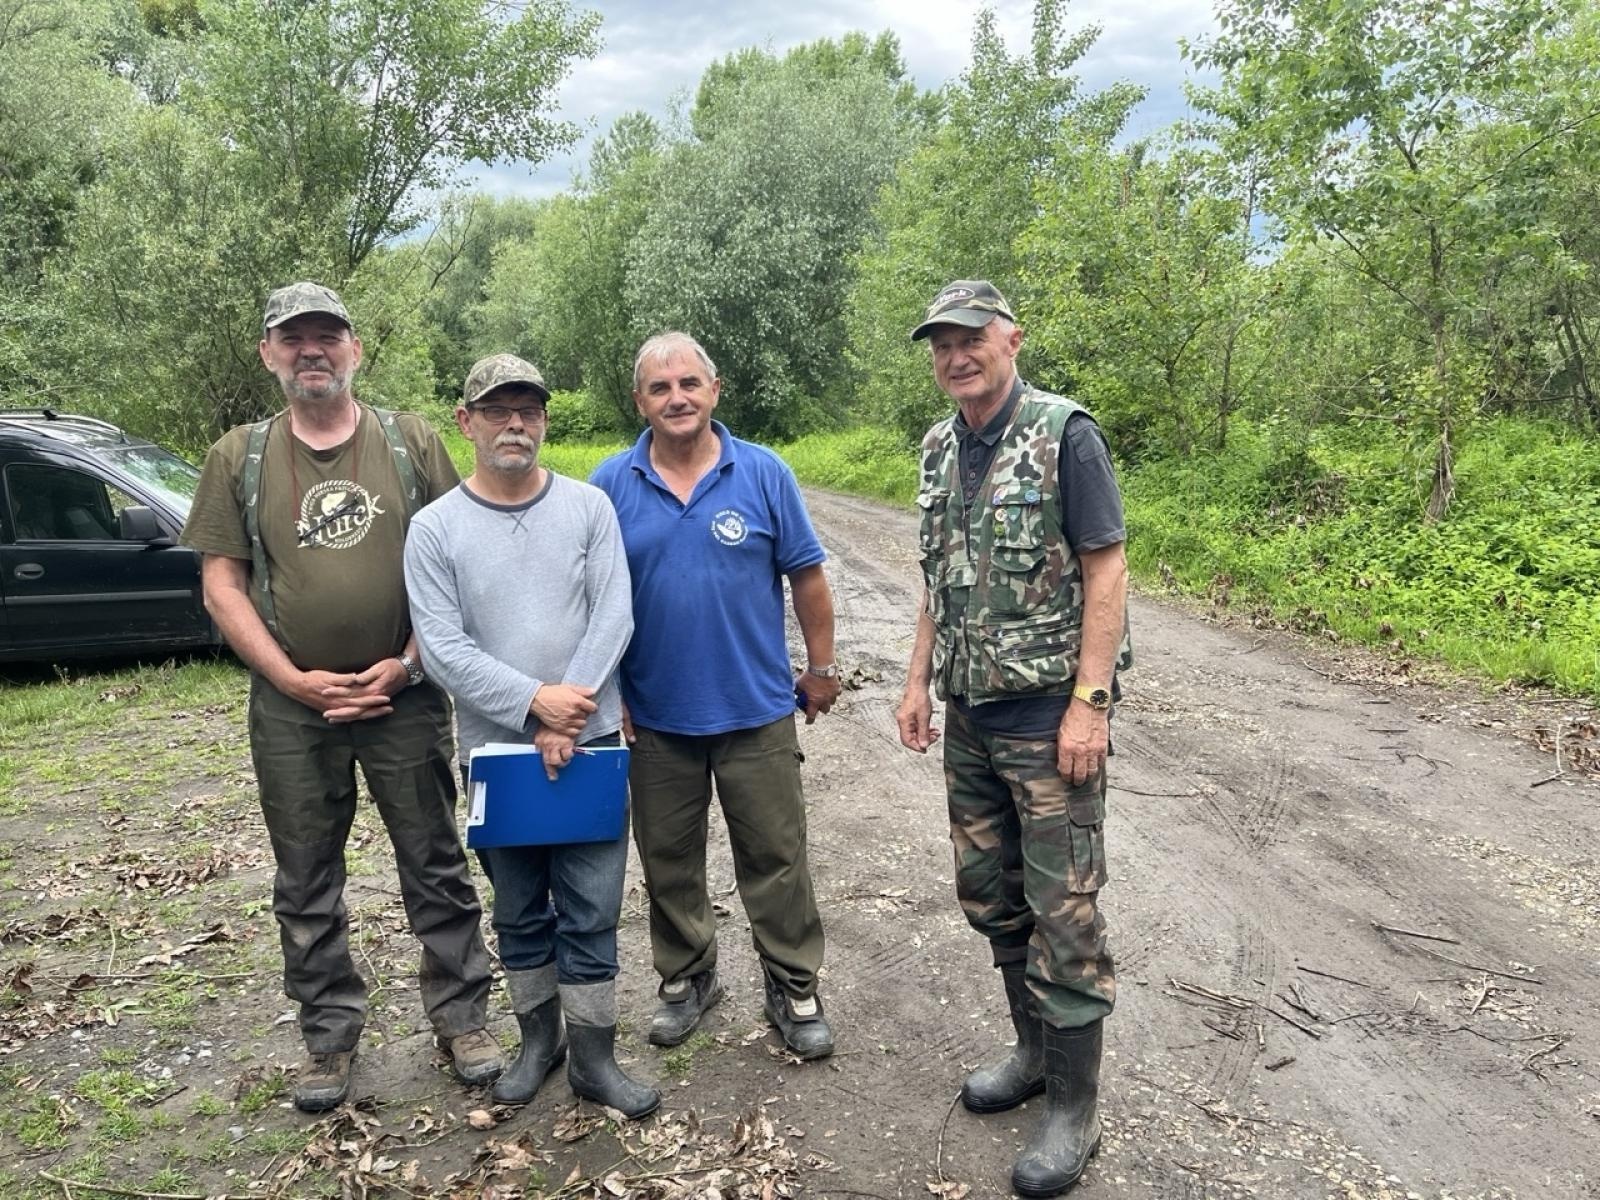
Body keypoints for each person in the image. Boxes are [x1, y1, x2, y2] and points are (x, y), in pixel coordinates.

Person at [182, 282, 500, 1112]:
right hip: (294, 708)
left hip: (407, 696)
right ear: (269, 354)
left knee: (434, 861)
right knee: (306, 877)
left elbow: (456, 566)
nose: (311, 350)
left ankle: (463, 1017)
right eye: (293, 339)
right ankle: (328, 1038)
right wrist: (289, 678)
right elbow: (223, 586)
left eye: (328, 336)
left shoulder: (411, 440)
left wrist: (404, 665)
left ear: (355, 349)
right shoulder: (237, 456)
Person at [894, 281, 1132, 1198]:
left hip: (1046, 719)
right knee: (993, 896)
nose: (956, 356)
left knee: (1065, 912)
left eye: (970, 339)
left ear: (1010, 339)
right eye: (941, 345)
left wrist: (1091, 704)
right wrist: (916, 681)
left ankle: (1075, 1109)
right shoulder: (938, 445)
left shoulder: (1065, 433)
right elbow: (934, 579)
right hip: (970, 718)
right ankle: (1032, 1056)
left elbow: (1107, 569)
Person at [403, 353, 659, 1119]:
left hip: (593, 745)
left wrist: (568, 712)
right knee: (518, 908)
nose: (515, 423)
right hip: (499, 755)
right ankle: (536, 1041)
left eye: (528, 409)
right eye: (497, 409)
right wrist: (533, 709)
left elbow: (615, 615)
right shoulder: (434, 528)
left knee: (590, 906)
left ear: (544, 419)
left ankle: (594, 1056)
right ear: (467, 421)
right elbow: (443, 648)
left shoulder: (588, 509)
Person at [590, 332, 841, 1061]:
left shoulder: (763, 474)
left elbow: (809, 579)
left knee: (777, 857)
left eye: (689, 383)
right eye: (660, 387)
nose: (677, 398)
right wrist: (608, 692)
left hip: (756, 709)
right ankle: (687, 978)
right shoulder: (608, 485)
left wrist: (821, 670)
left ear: (714, 389)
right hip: (654, 718)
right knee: (667, 859)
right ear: (640, 400)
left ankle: (793, 984)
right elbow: (589, 600)